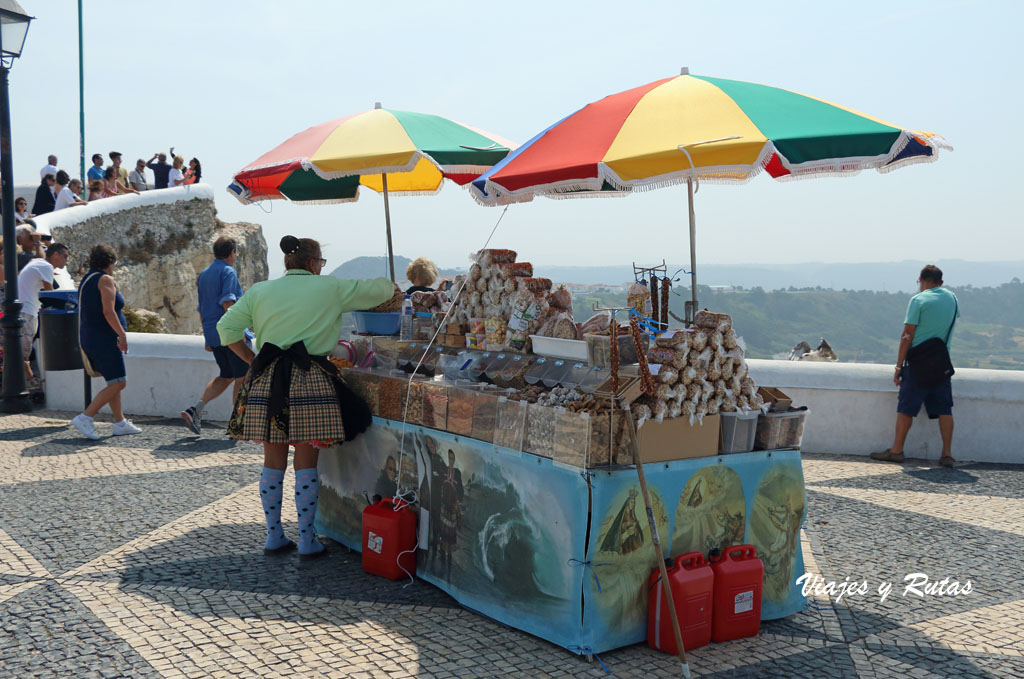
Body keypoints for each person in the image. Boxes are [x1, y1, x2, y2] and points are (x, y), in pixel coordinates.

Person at [216, 235, 394, 558]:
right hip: (311, 380)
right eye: (321, 263)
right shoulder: (329, 288)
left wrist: (252, 360)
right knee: (306, 462)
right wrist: (390, 283)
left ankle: (273, 536)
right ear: (313, 263)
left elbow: (225, 329)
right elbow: (380, 290)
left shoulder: (260, 291)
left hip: (268, 379)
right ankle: (307, 539)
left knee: (272, 462)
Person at [871, 265, 960, 467]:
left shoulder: (918, 300)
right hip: (941, 363)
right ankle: (946, 454)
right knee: (945, 410)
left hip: (917, 365)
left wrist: (898, 366)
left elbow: (907, 335)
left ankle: (897, 450)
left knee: (906, 408)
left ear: (921, 280)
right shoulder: (952, 298)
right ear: (941, 282)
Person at [70, 244, 142, 440]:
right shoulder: (105, 280)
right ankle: (85, 417)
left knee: (113, 381)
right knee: (120, 383)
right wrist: (122, 335)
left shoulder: (88, 278)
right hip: (104, 339)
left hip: (91, 337)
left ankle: (120, 423)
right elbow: (108, 311)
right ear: (110, 262)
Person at [181, 237, 249, 435]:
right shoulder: (228, 271)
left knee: (226, 375)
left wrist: (207, 337)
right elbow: (228, 302)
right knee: (243, 376)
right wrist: (240, 330)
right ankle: (238, 423)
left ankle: (196, 410)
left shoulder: (204, 274)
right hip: (230, 332)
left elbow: (202, 308)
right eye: (236, 252)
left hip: (212, 332)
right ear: (232, 252)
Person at [17, 243, 68, 385]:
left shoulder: (38, 263)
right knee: (21, 353)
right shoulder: (46, 267)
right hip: (27, 311)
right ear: (55, 255)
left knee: (19, 351)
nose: (67, 260)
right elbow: (50, 295)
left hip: (22, 309)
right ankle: (29, 382)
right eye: (65, 256)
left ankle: (30, 379)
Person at [438, 448, 464, 580]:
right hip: (443, 507)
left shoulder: (457, 473)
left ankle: (448, 568)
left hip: (452, 509)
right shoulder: (443, 471)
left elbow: (461, 491)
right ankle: (443, 565)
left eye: (452, 458)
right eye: (449, 458)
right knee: (443, 538)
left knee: (450, 539)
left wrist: (457, 503)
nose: (451, 460)